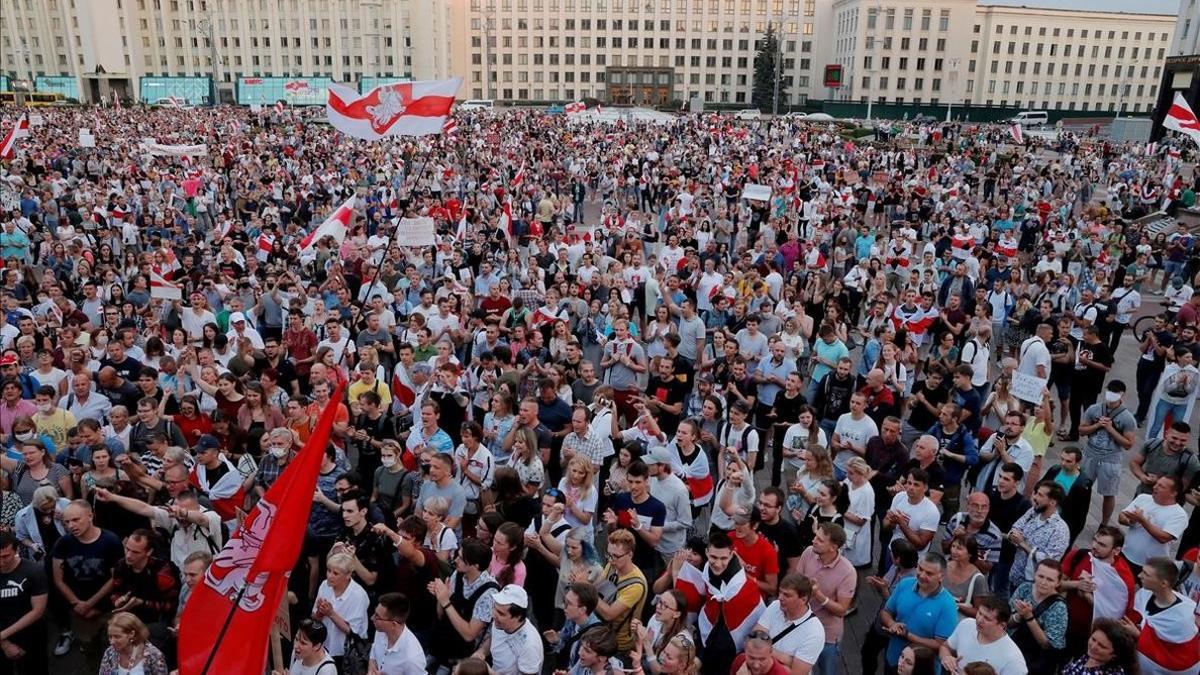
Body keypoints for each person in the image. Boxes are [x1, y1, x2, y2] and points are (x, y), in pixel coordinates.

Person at [1059, 527, 1137, 655]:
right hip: (1064, 622)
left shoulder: (1122, 579)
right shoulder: (1079, 555)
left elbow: (1114, 615)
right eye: (1094, 540)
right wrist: (1076, 584)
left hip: (1092, 637)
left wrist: (1087, 596)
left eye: (1102, 544)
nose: (1094, 546)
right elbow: (1056, 585)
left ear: (1116, 550)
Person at [878, 553, 959, 674]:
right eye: (920, 569)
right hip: (894, 659)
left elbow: (942, 645)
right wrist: (892, 624)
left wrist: (907, 635)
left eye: (929, 573)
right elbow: (886, 612)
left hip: (921, 669)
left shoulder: (948, 605)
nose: (921, 575)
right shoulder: (905, 584)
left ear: (941, 577)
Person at [796, 522, 856, 675]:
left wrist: (818, 595)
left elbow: (842, 610)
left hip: (827, 635)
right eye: (816, 536)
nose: (813, 541)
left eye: (820, 540)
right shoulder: (809, 552)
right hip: (801, 626)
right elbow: (796, 581)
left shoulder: (848, 572)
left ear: (833, 547)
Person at [1124, 557, 1199, 675]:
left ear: (1163, 583)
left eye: (1146, 574)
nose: (1139, 575)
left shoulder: (1183, 616)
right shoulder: (1144, 594)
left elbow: (1176, 655)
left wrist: (1138, 634)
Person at [1078, 380, 1136, 528]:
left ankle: (1104, 523)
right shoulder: (1094, 409)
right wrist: (1097, 425)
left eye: (1115, 393)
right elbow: (1081, 430)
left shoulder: (1128, 418)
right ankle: (1078, 517)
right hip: (1090, 454)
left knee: (1109, 494)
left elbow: (1128, 444)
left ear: (1122, 395)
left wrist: (1111, 429)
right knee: (1081, 488)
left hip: (1111, 460)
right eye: (1110, 391)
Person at [751, 574, 825, 674]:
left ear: (803, 599)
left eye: (787, 595)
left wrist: (762, 652)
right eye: (780, 592)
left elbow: (796, 673)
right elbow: (754, 639)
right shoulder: (775, 606)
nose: (780, 598)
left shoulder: (815, 632)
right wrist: (788, 660)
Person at [1006, 481, 1071, 593]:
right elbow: (1016, 528)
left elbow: (1050, 562)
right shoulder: (1033, 512)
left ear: (1052, 502)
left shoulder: (1060, 530)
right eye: (1036, 493)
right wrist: (1013, 536)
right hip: (1015, 577)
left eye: (1040, 495)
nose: (1034, 497)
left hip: (1034, 587)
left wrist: (1023, 544)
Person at [1117, 475, 1189, 573]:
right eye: (1156, 484)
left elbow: (1163, 538)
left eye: (1161, 486)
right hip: (1124, 555)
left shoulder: (1179, 515)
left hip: (1152, 567)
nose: (1155, 487)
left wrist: (1142, 520)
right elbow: (1121, 516)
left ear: (1173, 493)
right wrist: (1130, 521)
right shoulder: (1143, 498)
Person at [1007, 559, 1068, 672]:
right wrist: (1018, 616)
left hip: (1035, 661)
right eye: (1040, 576)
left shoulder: (1059, 607)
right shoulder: (1024, 588)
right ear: (1034, 574)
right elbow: (1006, 623)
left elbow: (1047, 645)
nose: (1043, 582)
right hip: (1013, 649)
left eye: (1050, 579)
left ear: (1058, 583)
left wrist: (1029, 618)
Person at [0, 529, 47, 675]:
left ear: (16, 550)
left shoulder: (34, 571)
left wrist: (2, 635)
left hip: (30, 636)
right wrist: (4, 643)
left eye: (5, 556)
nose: (1, 562)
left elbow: (37, 611)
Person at [312, 552, 370, 670]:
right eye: (328, 571)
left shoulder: (359, 595)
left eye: (335, 573)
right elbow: (314, 618)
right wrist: (320, 612)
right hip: (324, 648)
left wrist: (331, 613)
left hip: (346, 655)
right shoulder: (324, 585)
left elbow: (352, 631)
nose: (330, 576)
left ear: (348, 575)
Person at [940, 597, 1027, 675]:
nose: (979, 620)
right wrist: (947, 657)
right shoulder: (966, 624)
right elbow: (945, 647)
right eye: (980, 613)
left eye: (987, 618)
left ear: (1002, 625)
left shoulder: (1013, 659)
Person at [595, 529, 648, 657]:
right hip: (603, 632)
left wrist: (587, 590)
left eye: (616, 556)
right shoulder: (613, 565)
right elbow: (596, 587)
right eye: (608, 554)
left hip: (619, 644)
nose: (611, 560)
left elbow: (609, 614)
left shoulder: (636, 584)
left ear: (630, 554)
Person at [471, 584, 543, 675]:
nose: (493, 615)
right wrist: (482, 652)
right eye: (494, 608)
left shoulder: (530, 646)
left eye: (501, 613)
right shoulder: (500, 623)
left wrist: (489, 672)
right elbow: (494, 637)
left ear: (517, 617)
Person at [1042, 446, 1094, 545]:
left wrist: (1072, 534)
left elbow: (1081, 512)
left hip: (1062, 522)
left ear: (1077, 463)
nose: (1063, 463)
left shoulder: (1082, 484)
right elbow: (1039, 487)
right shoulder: (1055, 470)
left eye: (1068, 461)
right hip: (1043, 515)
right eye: (1062, 459)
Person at [368, 593, 427, 675]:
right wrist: (371, 668)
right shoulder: (380, 630)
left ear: (394, 624)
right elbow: (373, 654)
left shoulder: (412, 658)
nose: (372, 618)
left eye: (377, 616)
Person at [1059, 619, 1140, 675]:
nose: (1093, 646)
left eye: (1102, 646)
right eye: (1093, 639)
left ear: (1115, 654)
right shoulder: (1089, 656)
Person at [98, 612, 168, 675]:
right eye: (110, 636)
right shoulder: (110, 652)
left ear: (131, 634)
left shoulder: (153, 655)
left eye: (117, 637)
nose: (112, 641)